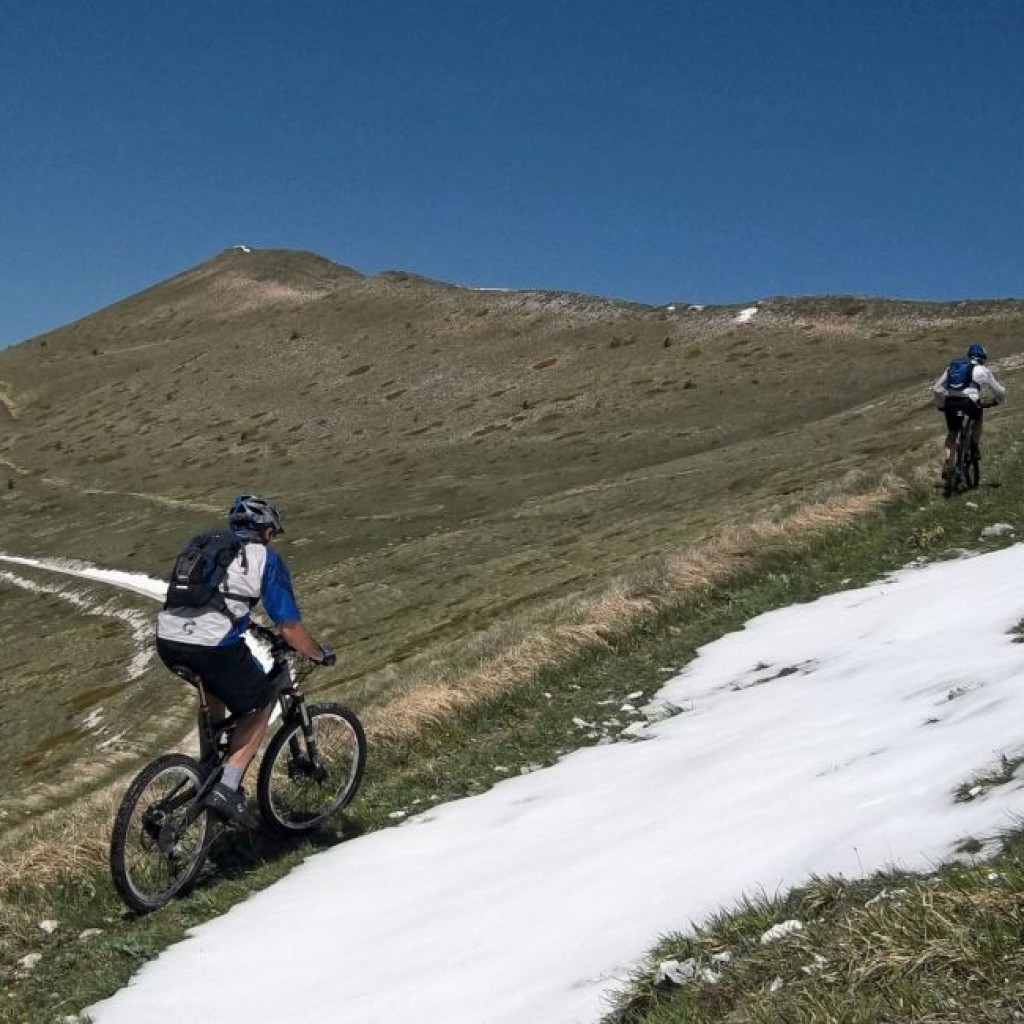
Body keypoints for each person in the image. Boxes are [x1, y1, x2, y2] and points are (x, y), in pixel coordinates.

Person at [155, 494, 334, 826]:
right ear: (265, 530)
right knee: (261, 702)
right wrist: (317, 653)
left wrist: (247, 623)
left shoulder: (204, 544)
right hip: (211, 645)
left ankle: (207, 765)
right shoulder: (264, 558)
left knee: (215, 688)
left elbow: (208, 598)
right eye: (271, 532)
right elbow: (290, 627)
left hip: (168, 639)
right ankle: (226, 787)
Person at [931, 342, 1006, 479]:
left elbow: (936, 388)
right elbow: (998, 390)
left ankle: (949, 461)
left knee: (952, 432)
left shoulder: (952, 367)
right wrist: (998, 401)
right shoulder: (982, 369)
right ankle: (975, 446)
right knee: (977, 418)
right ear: (982, 357)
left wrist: (942, 405)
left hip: (951, 402)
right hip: (969, 402)